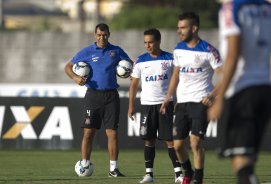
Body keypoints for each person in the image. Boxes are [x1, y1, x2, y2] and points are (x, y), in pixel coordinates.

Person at [208, 0, 271, 183]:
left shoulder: (232, 8)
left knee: (241, 165)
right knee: (246, 161)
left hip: (242, 92)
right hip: (265, 90)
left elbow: (233, 53)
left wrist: (219, 97)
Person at [160, 12, 223, 184]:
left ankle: (198, 178)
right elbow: (175, 75)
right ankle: (187, 172)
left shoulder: (209, 51)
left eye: (183, 27)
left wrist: (212, 96)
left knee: (195, 142)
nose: (179, 31)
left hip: (201, 103)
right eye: (178, 27)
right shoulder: (178, 49)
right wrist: (167, 98)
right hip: (182, 103)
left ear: (194, 28)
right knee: (178, 145)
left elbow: (224, 77)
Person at [65, 23, 132, 177]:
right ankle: (84, 164)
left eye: (105, 35)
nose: (102, 38)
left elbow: (129, 66)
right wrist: (75, 77)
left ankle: (113, 169)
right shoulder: (87, 51)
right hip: (93, 96)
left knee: (112, 133)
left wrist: (127, 70)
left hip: (111, 96)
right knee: (89, 133)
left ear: (109, 34)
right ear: (95, 35)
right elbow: (68, 67)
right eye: (99, 35)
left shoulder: (116, 51)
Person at [128, 28, 184, 183]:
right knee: (149, 139)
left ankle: (178, 174)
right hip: (147, 105)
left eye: (151, 42)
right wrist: (131, 105)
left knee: (170, 140)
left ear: (159, 41)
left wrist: (178, 99)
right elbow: (133, 84)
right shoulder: (140, 61)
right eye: (145, 42)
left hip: (165, 104)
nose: (148, 45)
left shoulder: (170, 59)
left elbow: (179, 79)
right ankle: (149, 175)